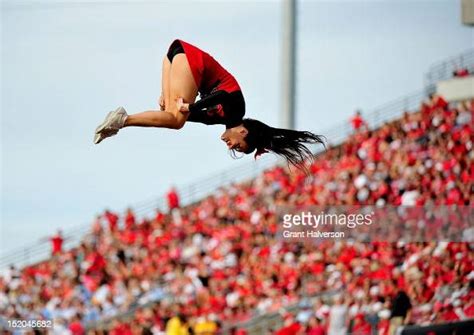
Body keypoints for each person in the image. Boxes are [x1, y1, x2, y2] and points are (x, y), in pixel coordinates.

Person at [94, 39, 325, 166]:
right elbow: (222, 96)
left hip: (174, 55)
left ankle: (120, 121)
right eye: (238, 145)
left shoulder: (219, 120)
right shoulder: (237, 111)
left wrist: (181, 109)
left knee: (172, 116)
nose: (231, 146)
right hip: (192, 60)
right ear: (243, 132)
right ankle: (122, 120)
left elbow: (193, 115)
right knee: (177, 120)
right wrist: (190, 107)